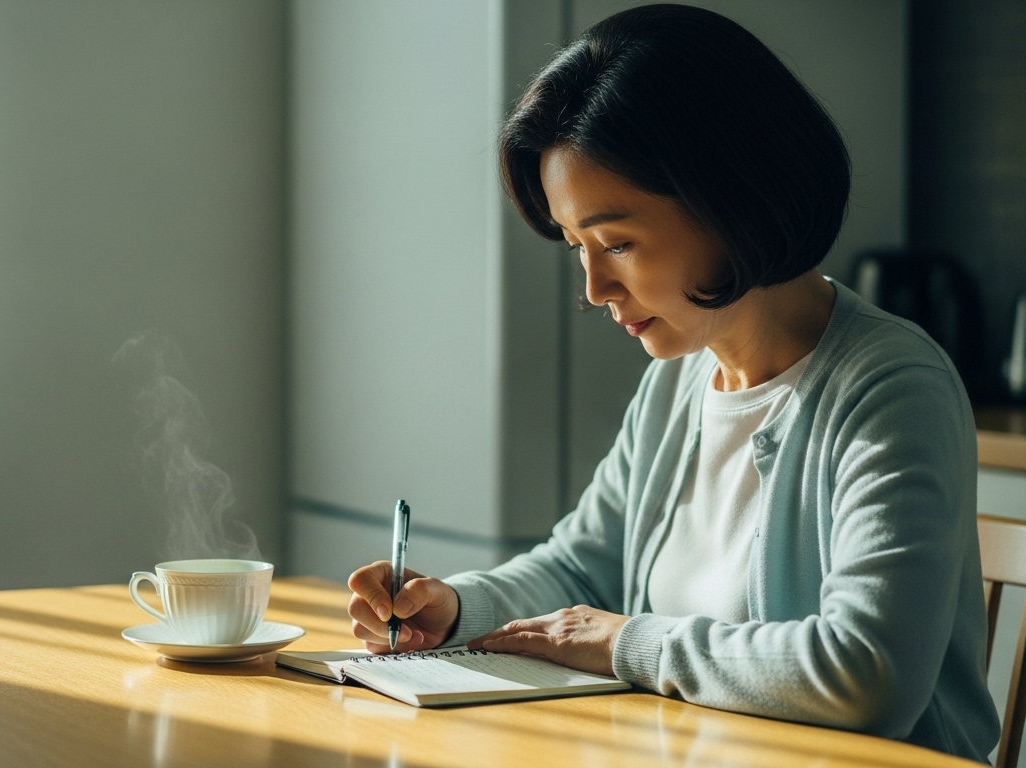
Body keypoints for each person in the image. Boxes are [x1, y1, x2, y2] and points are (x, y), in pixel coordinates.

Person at [345, 4, 999, 761]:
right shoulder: (684, 379)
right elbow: (582, 563)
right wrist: (457, 609)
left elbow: (868, 675)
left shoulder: (891, 387)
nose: (593, 288)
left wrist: (627, 642)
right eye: (576, 245)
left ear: (732, 197)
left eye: (618, 242)